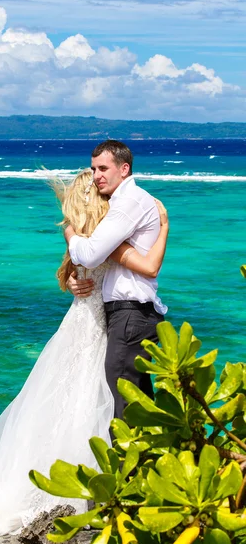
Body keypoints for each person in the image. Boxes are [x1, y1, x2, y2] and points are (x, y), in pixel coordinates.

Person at [0, 169, 168, 544]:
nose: (103, 190)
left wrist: (76, 272)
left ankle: (93, 481)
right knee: (96, 401)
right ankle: (105, 484)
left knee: (77, 401)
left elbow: (72, 274)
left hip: (90, 326)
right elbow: (140, 267)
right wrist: (162, 227)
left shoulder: (87, 237)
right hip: (96, 327)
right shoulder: (100, 240)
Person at [65, 140, 168, 420]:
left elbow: (91, 254)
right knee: (136, 401)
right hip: (127, 315)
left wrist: (70, 232)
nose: (97, 175)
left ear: (124, 169)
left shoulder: (128, 204)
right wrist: (75, 280)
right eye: (93, 168)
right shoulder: (119, 205)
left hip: (131, 314)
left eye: (103, 168)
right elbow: (91, 264)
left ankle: (126, 464)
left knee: (120, 404)